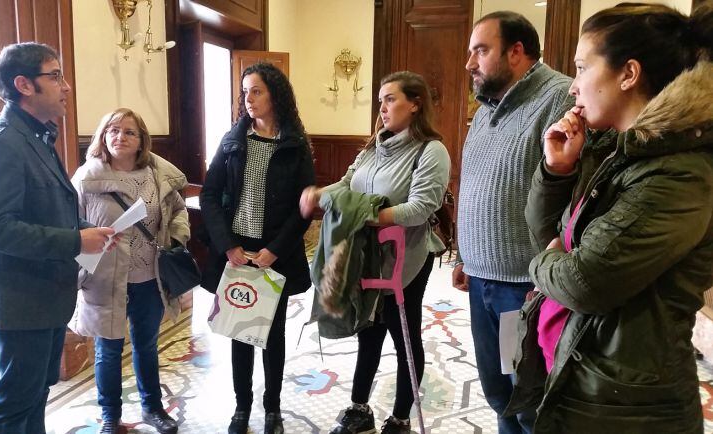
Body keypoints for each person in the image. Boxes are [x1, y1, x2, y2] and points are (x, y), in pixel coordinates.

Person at [509, 3, 713, 433]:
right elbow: (546, 233)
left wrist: (543, 261)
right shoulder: (615, 149)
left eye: (582, 68)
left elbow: (584, 283)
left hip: (628, 405)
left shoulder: (678, 174)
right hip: (583, 371)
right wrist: (556, 171)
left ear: (628, 74)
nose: (573, 87)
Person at [0, 42, 115, 434]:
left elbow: (46, 208)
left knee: (35, 397)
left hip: (44, 296)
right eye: (55, 76)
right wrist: (76, 242)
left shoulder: (37, 136)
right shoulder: (0, 142)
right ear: (23, 85)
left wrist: (82, 228)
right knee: (14, 405)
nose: (66, 86)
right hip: (20, 301)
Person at [300, 71, 450, 434]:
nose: (382, 108)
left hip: (407, 257)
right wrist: (320, 194)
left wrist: (363, 214)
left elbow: (419, 208)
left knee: (403, 333)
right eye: (380, 100)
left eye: (391, 99)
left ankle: (400, 417)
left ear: (415, 104)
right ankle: (358, 407)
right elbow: (348, 183)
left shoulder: (431, 151)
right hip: (365, 253)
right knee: (367, 326)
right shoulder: (373, 148)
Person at [450, 11, 574, 434]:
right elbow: (473, 184)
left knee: (528, 399)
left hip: (523, 287)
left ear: (517, 52)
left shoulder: (557, 97)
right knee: (499, 392)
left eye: (480, 50)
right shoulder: (486, 107)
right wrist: (463, 256)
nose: (470, 63)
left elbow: (569, 191)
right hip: (482, 280)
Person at [200, 62, 315, 434]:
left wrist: (275, 251)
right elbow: (209, 195)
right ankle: (241, 407)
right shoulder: (233, 140)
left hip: (273, 254)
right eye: (245, 92)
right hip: (236, 252)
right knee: (240, 332)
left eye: (256, 91)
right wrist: (228, 245)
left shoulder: (296, 144)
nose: (248, 99)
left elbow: (304, 209)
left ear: (275, 95)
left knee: (272, 335)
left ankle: (273, 408)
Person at [70, 108, 189, 434]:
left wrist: (177, 236)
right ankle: (111, 417)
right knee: (107, 350)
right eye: (113, 130)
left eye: (129, 132)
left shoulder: (156, 176)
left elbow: (178, 210)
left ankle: (152, 408)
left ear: (141, 141)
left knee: (146, 345)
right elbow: (68, 224)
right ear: (103, 136)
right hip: (103, 278)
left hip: (149, 277)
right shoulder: (85, 179)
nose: (120, 137)